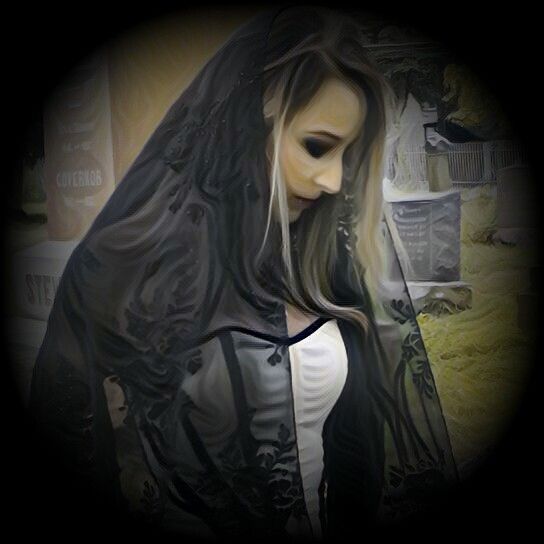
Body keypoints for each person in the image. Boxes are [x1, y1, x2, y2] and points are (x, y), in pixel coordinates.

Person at [29, 6, 458, 542]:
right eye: (317, 146)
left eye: (347, 156)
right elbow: (71, 430)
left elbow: (358, 452)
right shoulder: (126, 264)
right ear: (255, 117)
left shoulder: (325, 259)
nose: (333, 181)